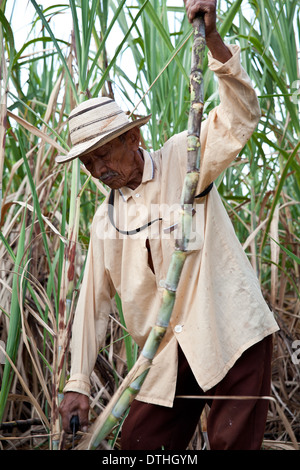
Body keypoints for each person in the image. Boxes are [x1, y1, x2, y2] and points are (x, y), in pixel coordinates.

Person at [58, 0, 279, 450]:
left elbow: (241, 117)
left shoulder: (185, 159)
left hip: (228, 329)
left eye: (104, 153)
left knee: (231, 444)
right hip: (164, 355)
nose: (98, 168)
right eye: (87, 161)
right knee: (136, 449)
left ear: (133, 137)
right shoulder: (109, 220)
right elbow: (91, 305)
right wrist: (78, 381)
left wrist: (213, 40)